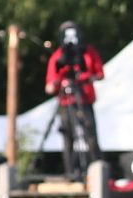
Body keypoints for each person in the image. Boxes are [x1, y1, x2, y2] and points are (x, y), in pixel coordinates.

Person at [43, 20, 104, 177]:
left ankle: (96, 170)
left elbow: (99, 74)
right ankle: (70, 172)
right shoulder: (57, 56)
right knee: (68, 136)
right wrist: (59, 82)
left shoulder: (88, 52)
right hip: (66, 101)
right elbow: (49, 86)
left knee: (90, 134)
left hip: (84, 99)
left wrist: (84, 77)